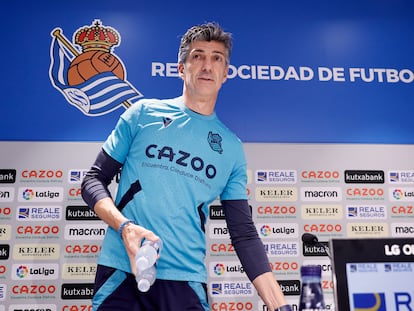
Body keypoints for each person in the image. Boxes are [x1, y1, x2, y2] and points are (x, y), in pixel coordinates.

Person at [81, 22, 292, 311]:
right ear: (181, 68)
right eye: (198, 56)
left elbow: (243, 232)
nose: (207, 65)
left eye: (217, 58)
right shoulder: (143, 114)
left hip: (185, 282)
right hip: (122, 272)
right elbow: (93, 181)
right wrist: (125, 228)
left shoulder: (231, 147)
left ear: (225, 73)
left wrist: (279, 305)